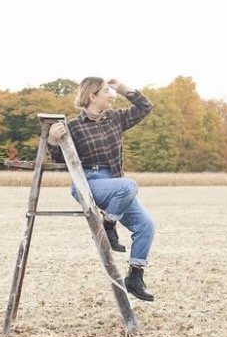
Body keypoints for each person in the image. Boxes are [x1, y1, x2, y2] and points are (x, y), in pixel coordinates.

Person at [50, 78, 156, 304]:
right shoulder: (74, 127)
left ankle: (135, 277)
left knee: (146, 225)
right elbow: (61, 159)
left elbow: (146, 107)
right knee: (129, 185)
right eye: (107, 91)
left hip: (114, 184)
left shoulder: (115, 118)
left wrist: (124, 88)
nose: (112, 95)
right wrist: (52, 140)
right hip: (89, 182)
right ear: (92, 96)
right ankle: (108, 225)